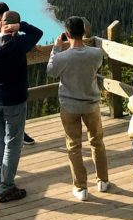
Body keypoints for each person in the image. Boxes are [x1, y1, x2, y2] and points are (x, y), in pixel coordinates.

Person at [0, 7, 43, 202]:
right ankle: (6, 186)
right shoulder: (19, 43)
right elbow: (37, 33)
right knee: (13, 143)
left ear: (0, 23)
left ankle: (0, 179)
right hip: (14, 99)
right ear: (13, 27)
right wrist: (21, 26)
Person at [46, 16, 109, 200]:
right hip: (91, 104)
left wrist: (56, 48)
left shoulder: (62, 57)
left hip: (69, 106)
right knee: (97, 142)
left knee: (74, 146)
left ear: (67, 34)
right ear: (84, 32)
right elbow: (97, 66)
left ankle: (81, 188)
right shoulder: (96, 54)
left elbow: (51, 72)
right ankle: (103, 181)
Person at [0, 1, 36, 145]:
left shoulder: (12, 27)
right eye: (1, 17)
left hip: (12, 78)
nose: (5, 20)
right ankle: (15, 138)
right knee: (4, 135)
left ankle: (20, 134)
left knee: (12, 116)